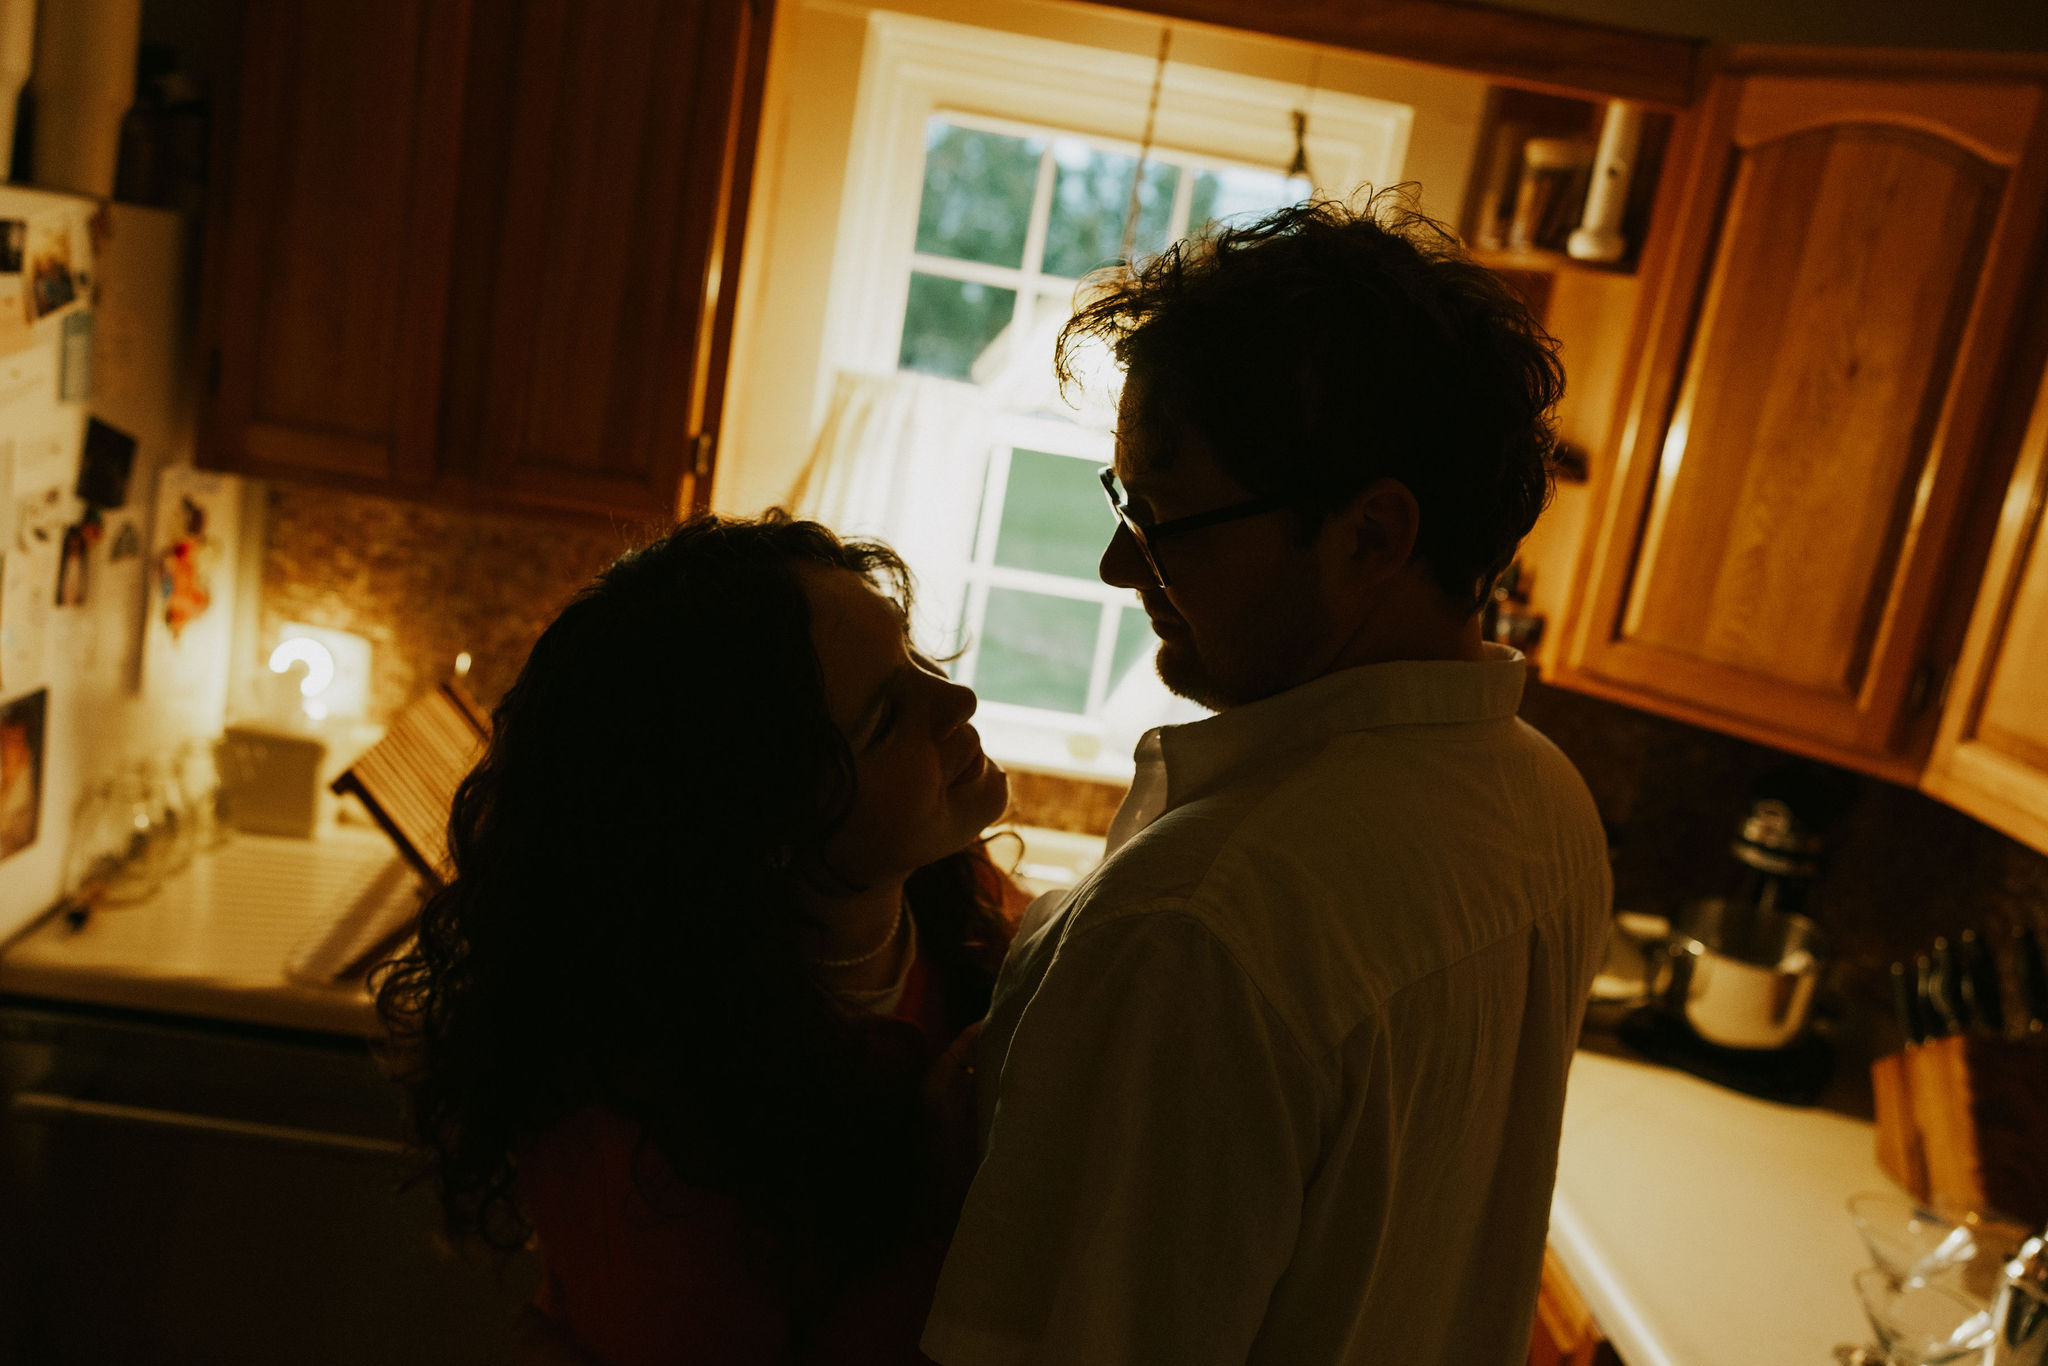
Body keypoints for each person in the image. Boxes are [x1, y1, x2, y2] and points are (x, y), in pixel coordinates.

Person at [920, 193, 1613, 1365]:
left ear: (1367, 538)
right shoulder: (1544, 800)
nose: (1114, 563)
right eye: (1121, 502)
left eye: (1161, 512)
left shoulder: (1198, 920)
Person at [375, 512, 1018, 1366]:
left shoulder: (946, 890)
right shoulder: (640, 1141)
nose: (957, 700)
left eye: (914, 658)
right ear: (759, 824)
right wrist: (936, 1206)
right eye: (884, 720)